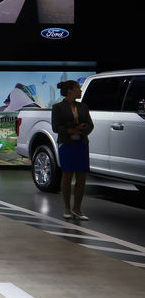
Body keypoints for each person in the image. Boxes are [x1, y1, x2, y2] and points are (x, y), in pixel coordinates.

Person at [51, 80, 93, 221]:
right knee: (67, 175)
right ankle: (67, 208)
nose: (80, 90)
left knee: (81, 176)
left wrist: (82, 130)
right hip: (66, 144)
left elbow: (90, 125)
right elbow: (56, 127)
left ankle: (77, 209)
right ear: (69, 90)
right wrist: (71, 130)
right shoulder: (58, 107)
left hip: (81, 143)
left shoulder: (84, 107)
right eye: (78, 88)